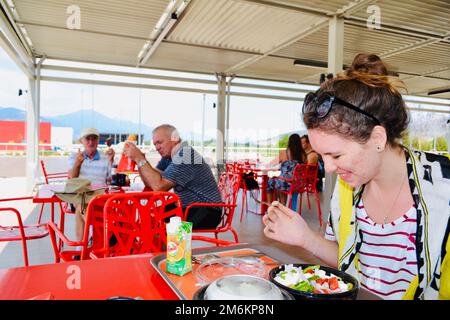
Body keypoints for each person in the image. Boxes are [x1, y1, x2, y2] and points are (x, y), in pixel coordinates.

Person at [263, 53, 450, 299]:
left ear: (377, 139)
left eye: (336, 156)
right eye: (321, 156)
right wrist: (305, 238)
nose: (328, 168)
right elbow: (348, 259)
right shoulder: (347, 190)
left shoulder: (443, 191)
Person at [123, 124, 223, 230]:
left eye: (160, 142)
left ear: (175, 139)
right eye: (155, 144)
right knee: (150, 215)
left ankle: (157, 245)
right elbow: (151, 182)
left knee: (156, 224)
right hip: (190, 207)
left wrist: (139, 158)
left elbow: (159, 187)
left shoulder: (185, 155)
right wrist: (140, 160)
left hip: (206, 212)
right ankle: (151, 245)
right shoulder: (169, 156)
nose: (157, 148)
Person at [68, 128, 113, 242]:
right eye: (87, 139)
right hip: (81, 195)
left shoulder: (105, 158)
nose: (91, 142)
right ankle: (104, 235)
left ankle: (80, 249)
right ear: (81, 141)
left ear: (98, 141)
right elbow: (71, 179)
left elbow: (110, 180)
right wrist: (78, 164)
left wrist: (112, 162)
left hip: (100, 197)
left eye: (94, 139)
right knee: (80, 201)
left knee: (80, 208)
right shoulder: (74, 157)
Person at [266, 134, 306, 205]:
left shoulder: (284, 153)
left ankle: (270, 207)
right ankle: (285, 207)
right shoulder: (303, 155)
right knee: (282, 181)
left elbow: (271, 164)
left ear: (289, 142)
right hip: (298, 184)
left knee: (271, 181)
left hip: (285, 184)